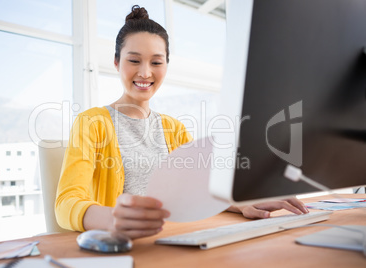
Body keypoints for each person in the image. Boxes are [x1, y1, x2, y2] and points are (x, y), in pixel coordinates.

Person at [55, 5, 309, 240]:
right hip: (124, 246)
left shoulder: (174, 128)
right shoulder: (92, 122)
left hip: (176, 238)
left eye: (156, 62)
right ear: (116, 62)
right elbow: (67, 202)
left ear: (166, 65)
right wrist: (112, 218)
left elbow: (198, 192)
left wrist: (242, 202)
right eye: (134, 60)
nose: (145, 72)